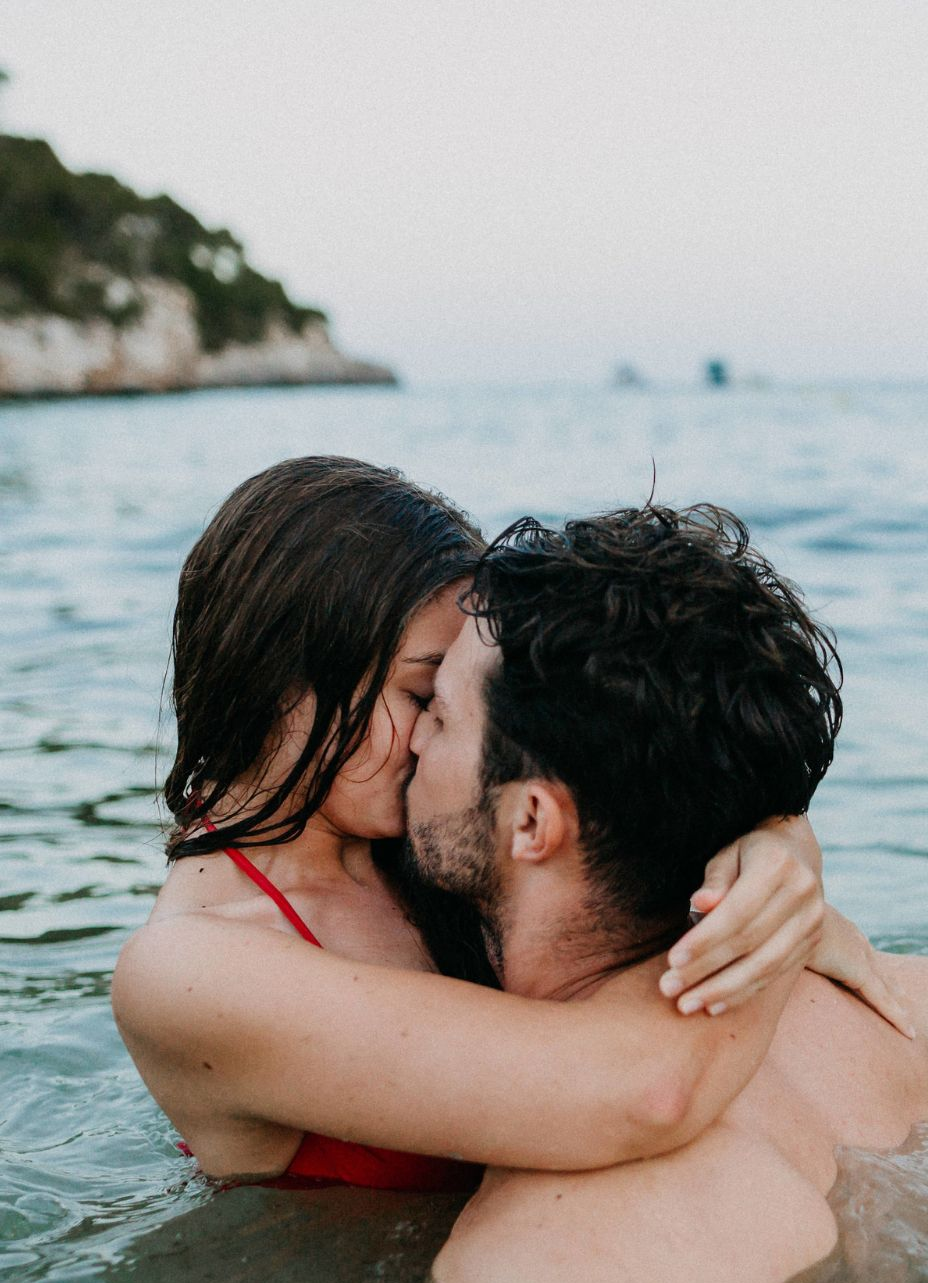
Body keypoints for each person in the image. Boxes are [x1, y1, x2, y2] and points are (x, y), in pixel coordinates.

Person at [407, 504, 928, 1283]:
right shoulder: (858, 997)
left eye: (439, 715)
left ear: (533, 820)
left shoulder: (533, 1268)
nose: (409, 746)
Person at [113, 457, 870, 1191]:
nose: (434, 738)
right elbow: (641, 1095)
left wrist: (776, 833)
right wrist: (773, 934)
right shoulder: (190, 972)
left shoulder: (413, 842)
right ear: (280, 679)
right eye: (422, 695)